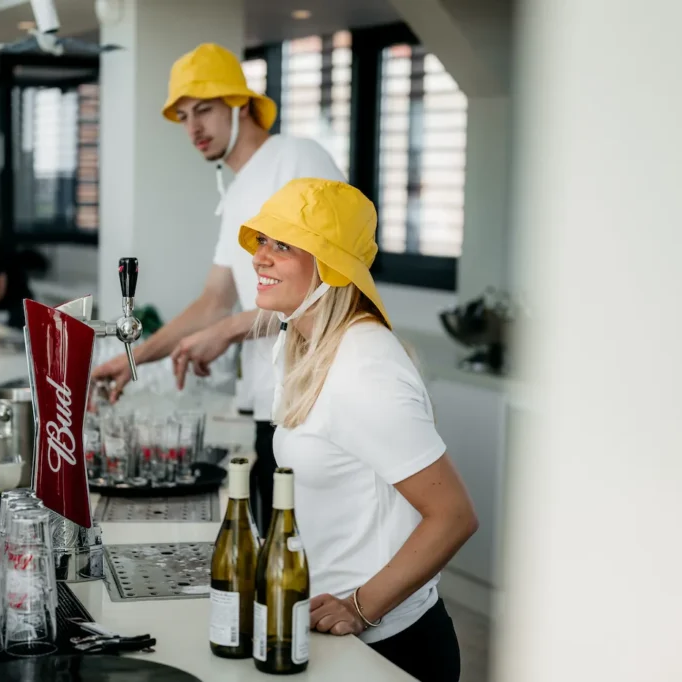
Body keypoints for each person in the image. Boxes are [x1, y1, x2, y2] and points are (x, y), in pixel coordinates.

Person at [91, 43, 346, 534]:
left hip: (317, 401)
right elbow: (214, 301)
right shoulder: (236, 193)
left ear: (242, 104)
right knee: (278, 561)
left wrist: (228, 332)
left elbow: (326, 289)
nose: (193, 128)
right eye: (184, 116)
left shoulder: (295, 158)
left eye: (204, 109)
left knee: (311, 567)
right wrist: (132, 359)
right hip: (270, 406)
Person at [237, 178, 479, 681]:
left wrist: (361, 608)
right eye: (263, 240)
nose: (261, 256)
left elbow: (453, 516)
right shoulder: (306, 349)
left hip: (388, 649)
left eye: (283, 245)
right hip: (329, 637)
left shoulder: (364, 366)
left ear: (330, 267)